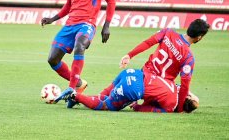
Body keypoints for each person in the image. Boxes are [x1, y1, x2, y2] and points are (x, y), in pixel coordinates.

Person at [57, 19, 209, 113]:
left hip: (141, 74)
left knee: (106, 96)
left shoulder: (168, 32)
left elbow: (148, 43)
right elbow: (185, 85)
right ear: (199, 37)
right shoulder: (188, 57)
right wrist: (181, 108)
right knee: (108, 104)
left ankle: (78, 98)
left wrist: (129, 55)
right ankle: (77, 96)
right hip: (153, 87)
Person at [41, 0, 116, 108]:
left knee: (79, 46)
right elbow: (68, 5)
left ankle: (71, 88)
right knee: (52, 59)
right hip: (70, 24)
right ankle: (80, 83)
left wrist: (106, 26)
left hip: (87, 23)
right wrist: (52, 19)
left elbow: (111, 1)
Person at [58, 68, 199, 113]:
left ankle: (75, 99)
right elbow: (148, 109)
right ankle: (74, 95)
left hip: (132, 73)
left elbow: (157, 92)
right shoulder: (172, 106)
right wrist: (137, 106)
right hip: (134, 88)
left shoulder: (176, 87)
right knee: (106, 106)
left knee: (103, 96)